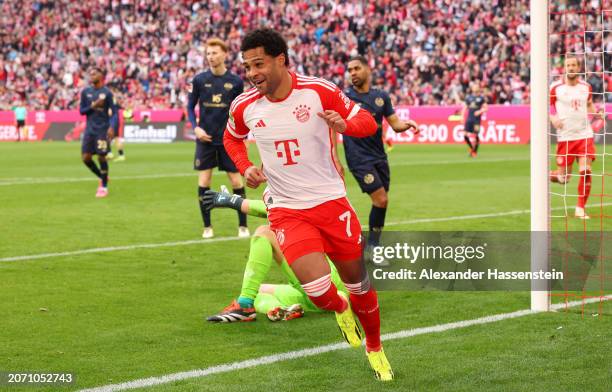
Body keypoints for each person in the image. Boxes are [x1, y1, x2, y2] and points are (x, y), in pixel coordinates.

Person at [223, 28, 393, 381]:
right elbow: (231, 138)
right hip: (286, 209)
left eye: (259, 64)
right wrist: (245, 168)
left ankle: (375, 347)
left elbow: (365, 120)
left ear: (280, 60)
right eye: (247, 66)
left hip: (332, 203)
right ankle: (340, 308)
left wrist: (344, 123)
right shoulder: (244, 105)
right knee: (318, 292)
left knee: (359, 283)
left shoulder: (319, 90)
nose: (252, 73)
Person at [203, 189, 348, 322]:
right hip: (315, 294)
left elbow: (275, 211)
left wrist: (233, 201)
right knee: (257, 290)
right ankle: (277, 309)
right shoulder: (318, 193)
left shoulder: (313, 195)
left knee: (265, 232)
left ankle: (244, 306)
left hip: (324, 279)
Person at [343, 56, 418, 252]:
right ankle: (373, 247)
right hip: (358, 158)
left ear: (368, 69)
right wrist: (334, 157)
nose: (352, 73)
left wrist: (407, 125)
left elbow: (395, 123)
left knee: (381, 202)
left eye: (356, 68)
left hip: (379, 157)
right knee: (381, 199)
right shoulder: (345, 98)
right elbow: (332, 127)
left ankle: (372, 244)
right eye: (349, 70)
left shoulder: (381, 97)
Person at [187, 38, 249, 239]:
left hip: (228, 141)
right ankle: (207, 227)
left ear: (224, 55)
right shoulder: (199, 80)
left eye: (214, 53)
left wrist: (240, 133)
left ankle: (242, 226)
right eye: (208, 53)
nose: (211, 57)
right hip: (205, 139)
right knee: (204, 180)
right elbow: (189, 106)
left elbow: (240, 110)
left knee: (236, 180)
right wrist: (195, 128)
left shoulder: (236, 82)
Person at [550, 56, 602, 219]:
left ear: (578, 68)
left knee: (586, 171)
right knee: (563, 178)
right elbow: (550, 106)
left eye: (573, 65)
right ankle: (549, 176)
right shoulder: (555, 87)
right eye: (568, 65)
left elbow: (589, 106)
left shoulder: (586, 87)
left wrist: (597, 113)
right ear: (564, 68)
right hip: (565, 137)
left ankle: (580, 207)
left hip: (584, 135)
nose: (571, 68)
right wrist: (553, 118)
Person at [79, 67, 118, 198]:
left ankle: (104, 187)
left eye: (94, 73)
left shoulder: (107, 93)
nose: (91, 75)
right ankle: (102, 177)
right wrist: (93, 106)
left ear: (101, 76)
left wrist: (112, 127)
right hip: (90, 129)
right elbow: (82, 111)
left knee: (102, 157)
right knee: (86, 158)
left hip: (103, 129)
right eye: (90, 73)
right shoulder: (85, 92)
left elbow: (114, 113)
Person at [461, 82, 488, 157]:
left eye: (476, 87)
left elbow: (486, 108)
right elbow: (465, 108)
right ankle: (471, 148)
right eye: (474, 87)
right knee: (465, 135)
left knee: (476, 135)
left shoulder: (481, 98)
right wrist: (462, 116)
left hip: (476, 120)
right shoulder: (469, 98)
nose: (475, 88)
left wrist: (480, 111)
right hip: (469, 119)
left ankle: (474, 151)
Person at [106, 89, 127, 162]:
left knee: (107, 137)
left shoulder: (110, 102)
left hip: (112, 122)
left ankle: (109, 153)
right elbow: (122, 107)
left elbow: (109, 112)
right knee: (116, 138)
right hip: (116, 121)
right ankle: (121, 155)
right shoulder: (114, 102)